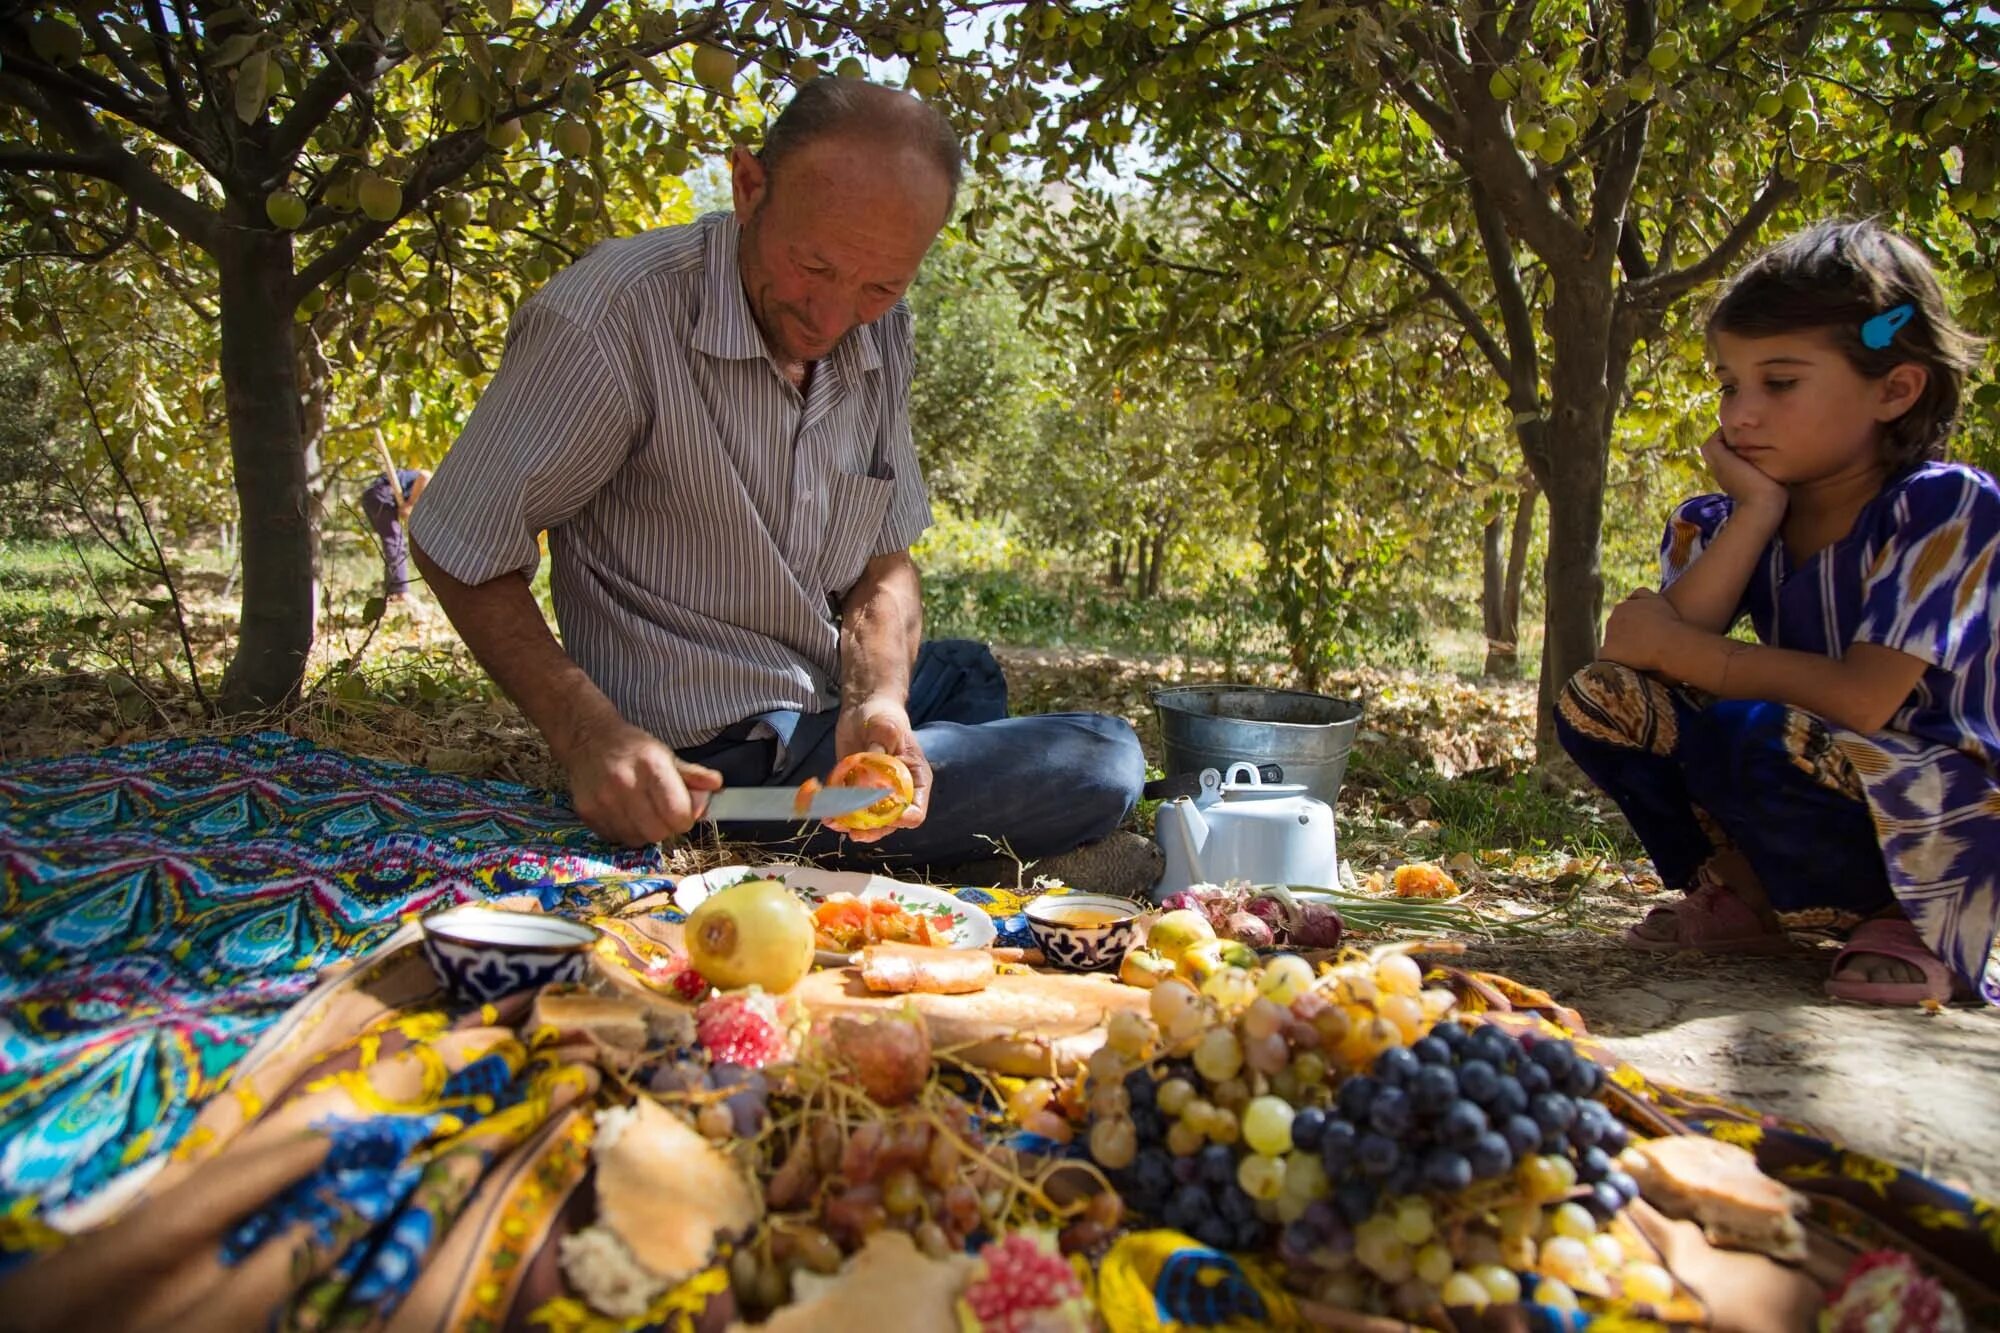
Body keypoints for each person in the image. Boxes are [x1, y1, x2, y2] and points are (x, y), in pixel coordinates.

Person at [409, 79, 1153, 892]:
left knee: (964, 671)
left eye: (879, 286)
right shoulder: (612, 316)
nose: (831, 318)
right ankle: (900, 837)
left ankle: (901, 827)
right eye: (813, 265)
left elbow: (885, 567)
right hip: (708, 756)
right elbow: (461, 539)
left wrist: (878, 703)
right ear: (748, 185)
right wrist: (589, 737)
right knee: (1102, 760)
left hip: (818, 700)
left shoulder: (884, 335)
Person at [1555, 218, 1994, 1007]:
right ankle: (1746, 892)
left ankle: (1915, 921)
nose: (1741, 414)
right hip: (1800, 756)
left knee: (1753, 727)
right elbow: (1633, 652)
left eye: (1780, 383)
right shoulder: (1720, 521)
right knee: (1600, 700)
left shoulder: (1944, 510)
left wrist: (1707, 661)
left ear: (1895, 389)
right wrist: (1756, 511)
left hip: (1927, 808)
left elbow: (1866, 698)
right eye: (1730, 385)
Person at [360, 467, 429, 602]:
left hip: (372, 497)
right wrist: (410, 504)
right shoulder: (436, 485)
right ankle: (399, 591)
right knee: (395, 541)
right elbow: (425, 475)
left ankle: (394, 589)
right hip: (382, 494)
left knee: (392, 541)